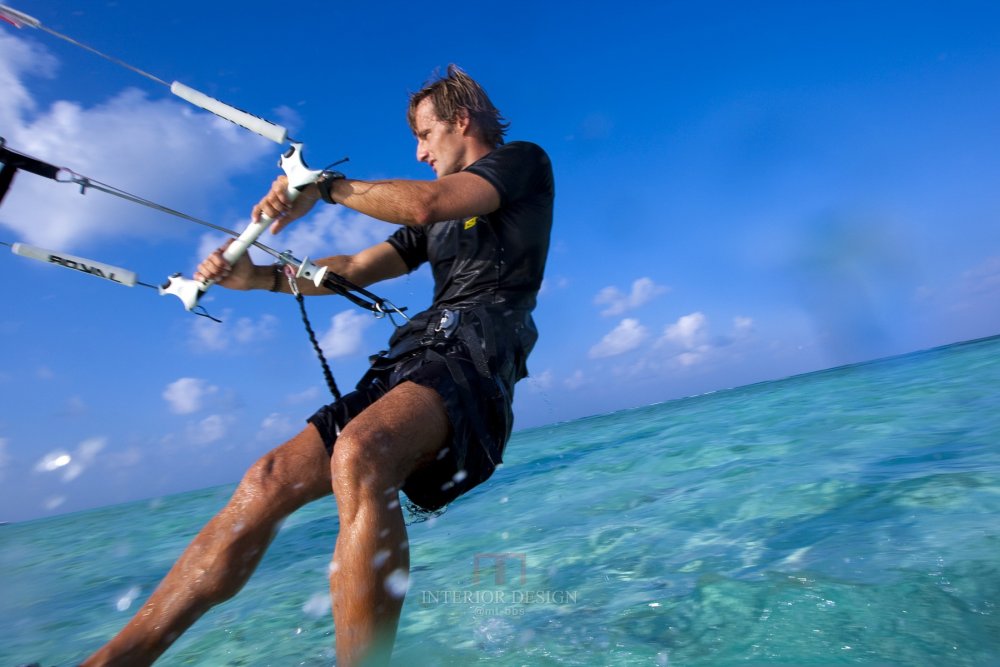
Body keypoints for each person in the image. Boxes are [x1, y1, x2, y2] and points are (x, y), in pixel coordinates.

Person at [82, 65, 554, 666]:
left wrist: (323, 186)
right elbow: (355, 267)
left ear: (462, 121)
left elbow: (424, 203)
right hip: (417, 356)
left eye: (426, 135)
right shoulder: (435, 222)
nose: (419, 150)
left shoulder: (521, 164)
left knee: (359, 452)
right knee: (268, 478)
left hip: (477, 358)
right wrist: (256, 278)